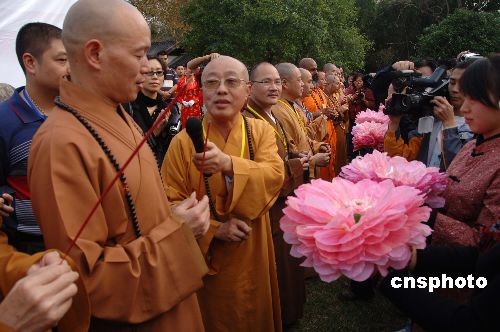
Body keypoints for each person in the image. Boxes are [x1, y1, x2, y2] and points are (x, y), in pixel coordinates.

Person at [28, 0, 210, 330]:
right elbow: (84, 279)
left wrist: (174, 216)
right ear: (95, 54)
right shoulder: (61, 143)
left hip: (171, 301)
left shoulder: (118, 115)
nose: (148, 67)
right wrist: (180, 233)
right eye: (139, 54)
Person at [162, 56, 285, 331]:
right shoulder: (182, 144)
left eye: (231, 82)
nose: (221, 90)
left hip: (254, 246)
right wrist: (214, 230)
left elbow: (275, 175)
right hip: (207, 258)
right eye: (211, 83)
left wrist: (229, 165)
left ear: (247, 90)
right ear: (201, 90)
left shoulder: (261, 131)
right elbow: (167, 204)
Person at [244, 62, 306, 328]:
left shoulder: (270, 115)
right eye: (265, 82)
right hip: (269, 206)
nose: (273, 88)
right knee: (277, 262)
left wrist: (296, 157)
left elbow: (282, 150)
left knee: (288, 258)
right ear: (250, 87)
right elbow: (255, 170)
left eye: (277, 82)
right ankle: (280, 315)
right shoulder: (247, 120)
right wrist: (295, 164)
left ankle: (290, 310)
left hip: (286, 200)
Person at [0, 22, 69, 254]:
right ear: (30, 62)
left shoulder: (81, 113)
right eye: (61, 60)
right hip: (26, 249)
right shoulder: (5, 120)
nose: (70, 69)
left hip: (82, 241)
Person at [431, 54, 500, 247]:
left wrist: (427, 219)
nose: (465, 107)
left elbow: (486, 243)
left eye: (474, 99)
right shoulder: (472, 145)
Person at [384, 59, 475, 171]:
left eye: (464, 84)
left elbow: (460, 168)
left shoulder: (478, 126)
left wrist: (449, 124)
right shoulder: (433, 118)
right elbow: (404, 158)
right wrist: (394, 123)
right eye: (452, 82)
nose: (455, 89)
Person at [273, 62, 330, 180]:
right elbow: (290, 151)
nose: (303, 85)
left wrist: (318, 146)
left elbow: (303, 137)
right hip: (297, 175)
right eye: (299, 80)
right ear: (284, 83)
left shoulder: (293, 107)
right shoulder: (279, 111)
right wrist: (313, 160)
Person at [129, 55, 179, 163]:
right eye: (149, 72)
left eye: (159, 72)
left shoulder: (171, 110)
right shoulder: (128, 108)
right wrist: (154, 133)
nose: (155, 77)